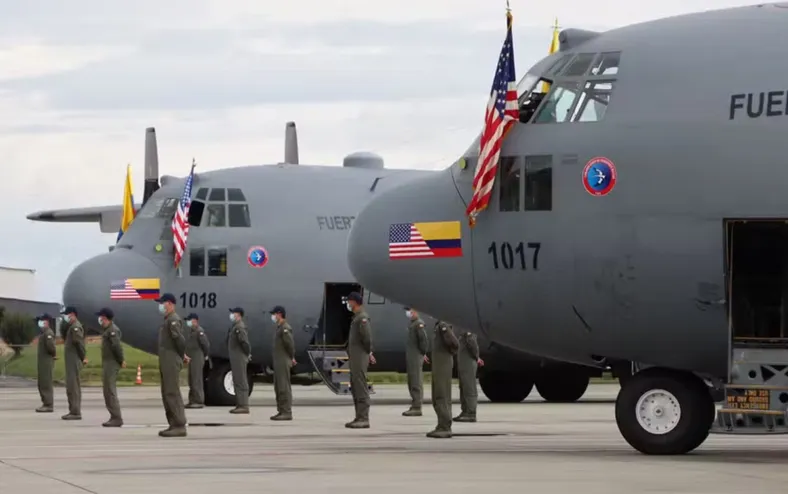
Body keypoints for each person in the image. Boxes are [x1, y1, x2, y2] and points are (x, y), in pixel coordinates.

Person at [155, 293, 188, 437]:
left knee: (172, 392)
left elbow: (179, 340)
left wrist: (181, 355)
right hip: (166, 360)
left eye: (162, 303)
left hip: (171, 360)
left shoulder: (173, 320)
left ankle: (179, 425)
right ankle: (173, 424)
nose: (160, 306)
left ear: (170, 303)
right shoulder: (168, 320)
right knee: (166, 392)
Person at [345, 291, 376, 429]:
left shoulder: (362, 318)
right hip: (355, 357)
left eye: (349, 301)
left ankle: (364, 418)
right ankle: (359, 416)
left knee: (360, 385)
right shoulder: (356, 318)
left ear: (354, 302)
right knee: (355, 385)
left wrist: (368, 352)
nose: (348, 303)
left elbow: (367, 338)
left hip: (360, 356)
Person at [428, 320, 459, 438]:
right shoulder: (439, 326)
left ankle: (445, 426)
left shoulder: (443, 325)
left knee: (442, 395)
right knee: (437, 395)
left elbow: (454, 343)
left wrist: (451, 353)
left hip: (443, 365)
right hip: (439, 365)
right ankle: (441, 425)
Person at [97, 308, 126, 427]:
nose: (100, 320)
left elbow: (116, 347)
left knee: (110, 390)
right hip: (107, 362)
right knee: (107, 391)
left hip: (112, 363)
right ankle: (113, 416)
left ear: (106, 318)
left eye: (101, 317)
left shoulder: (112, 330)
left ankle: (116, 417)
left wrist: (121, 360)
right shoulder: (107, 330)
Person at [59, 306, 87, 421]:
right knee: (70, 386)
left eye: (67, 315)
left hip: (74, 361)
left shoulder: (75, 327)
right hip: (71, 361)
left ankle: (75, 412)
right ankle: (73, 410)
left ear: (73, 315)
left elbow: (79, 343)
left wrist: (83, 357)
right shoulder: (72, 327)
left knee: (73, 386)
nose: (66, 317)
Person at [269, 305, 296, 420]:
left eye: (274, 314)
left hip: (283, 361)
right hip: (279, 361)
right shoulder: (279, 328)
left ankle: (286, 411)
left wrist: (291, 357)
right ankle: (281, 410)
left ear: (279, 314)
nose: (273, 316)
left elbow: (290, 345)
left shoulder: (285, 328)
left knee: (283, 386)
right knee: (278, 386)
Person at [402, 307, 429, 417]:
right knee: (412, 381)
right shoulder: (413, 324)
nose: (409, 313)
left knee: (416, 381)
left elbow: (423, 341)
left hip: (416, 356)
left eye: (411, 310)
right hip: (412, 357)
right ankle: (414, 404)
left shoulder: (418, 324)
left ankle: (417, 407)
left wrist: (422, 353)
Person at [455, 330, 484, 423]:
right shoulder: (463, 331)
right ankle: (465, 411)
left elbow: (473, 345)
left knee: (469, 388)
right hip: (463, 364)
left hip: (469, 364)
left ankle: (471, 413)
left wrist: (476, 357)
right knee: (463, 388)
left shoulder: (468, 330)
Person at [227, 307, 251, 414]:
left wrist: (247, 354)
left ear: (239, 315)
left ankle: (244, 405)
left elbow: (245, 343)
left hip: (240, 357)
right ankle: (239, 404)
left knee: (241, 381)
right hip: (236, 357)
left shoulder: (240, 327)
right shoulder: (235, 327)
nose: (232, 315)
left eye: (234, 313)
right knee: (237, 380)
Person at [184, 313, 211, 409]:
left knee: (197, 379)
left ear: (195, 320)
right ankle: (192, 400)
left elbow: (205, 345)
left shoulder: (199, 331)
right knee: (191, 379)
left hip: (197, 358)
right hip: (191, 358)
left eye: (189, 320)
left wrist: (204, 355)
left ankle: (199, 401)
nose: (188, 322)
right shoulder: (192, 332)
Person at [35, 313, 57, 413]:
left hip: (46, 362)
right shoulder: (43, 333)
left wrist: (53, 355)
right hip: (42, 362)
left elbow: (51, 347)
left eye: (41, 320)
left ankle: (48, 404)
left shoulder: (48, 333)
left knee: (46, 383)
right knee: (42, 383)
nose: (39, 323)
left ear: (46, 322)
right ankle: (45, 403)